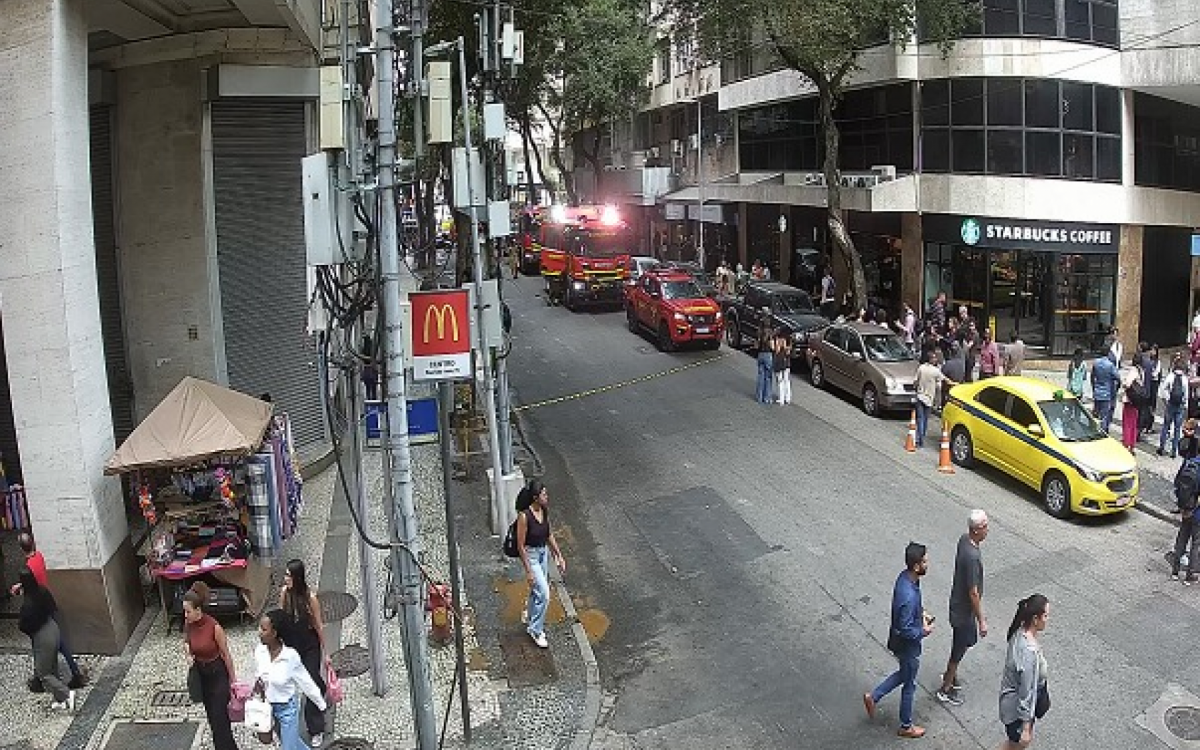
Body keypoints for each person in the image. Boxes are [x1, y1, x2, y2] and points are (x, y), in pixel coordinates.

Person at [863, 542, 933, 739]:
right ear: (917, 566)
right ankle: (906, 725)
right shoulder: (908, 595)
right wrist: (924, 630)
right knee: (910, 683)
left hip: (901, 642)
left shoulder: (906, 578)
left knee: (904, 673)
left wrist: (922, 612)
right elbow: (905, 629)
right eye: (925, 561)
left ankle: (873, 697)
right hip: (907, 646)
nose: (928, 564)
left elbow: (911, 610)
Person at [11, 532, 84, 689]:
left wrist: (20, 587)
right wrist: (21, 585)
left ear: (21, 548)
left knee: (39, 642)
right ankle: (74, 672)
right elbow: (35, 579)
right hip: (46, 601)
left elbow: (31, 582)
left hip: (37, 607)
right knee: (58, 641)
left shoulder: (28, 567)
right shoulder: (39, 557)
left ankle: (42, 677)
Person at [937, 510, 989, 707]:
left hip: (957, 605)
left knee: (967, 641)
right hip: (963, 611)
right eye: (985, 526)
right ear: (976, 530)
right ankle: (945, 687)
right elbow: (973, 592)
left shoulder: (964, 540)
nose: (987, 530)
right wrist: (981, 620)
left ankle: (952, 674)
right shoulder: (973, 556)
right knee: (959, 648)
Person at [255, 609, 327, 750]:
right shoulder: (259, 652)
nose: (259, 632)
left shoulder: (290, 657)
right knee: (293, 744)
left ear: (275, 633)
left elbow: (305, 681)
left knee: (288, 747)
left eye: (263, 629)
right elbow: (259, 676)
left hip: (287, 710)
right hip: (269, 708)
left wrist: (320, 703)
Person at [184, 582, 239, 750]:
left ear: (198, 610)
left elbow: (225, 654)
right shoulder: (189, 624)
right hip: (201, 675)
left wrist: (233, 681)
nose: (185, 615)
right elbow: (186, 641)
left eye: (188, 611)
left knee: (219, 719)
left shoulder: (214, 627)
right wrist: (188, 653)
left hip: (217, 675)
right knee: (213, 720)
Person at [279, 559, 327, 747]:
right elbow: (282, 618)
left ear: (297, 577)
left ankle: (315, 728)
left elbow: (318, 625)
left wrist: (327, 652)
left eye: (289, 576)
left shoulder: (310, 598)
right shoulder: (284, 594)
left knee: (310, 682)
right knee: (305, 681)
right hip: (292, 644)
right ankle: (321, 690)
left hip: (309, 644)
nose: (286, 579)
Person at [516, 479, 566, 649]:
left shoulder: (544, 510)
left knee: (537, 590)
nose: (547, 496)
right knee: (544, 594)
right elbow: (520, 546)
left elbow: (548, 533)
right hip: (531, 555)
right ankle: (535, 630)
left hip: (543, 553)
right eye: (544, 494)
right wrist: (529, 571)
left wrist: (558, 555)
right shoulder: (524, 516)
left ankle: (530, 615)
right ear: (536, 498)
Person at [17, 567, 74, 711]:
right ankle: (60, 699)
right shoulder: (42, 590)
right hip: (53, 627)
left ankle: (67, 694)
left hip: (42, 636)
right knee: (53, 666)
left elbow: (23, 626)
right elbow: (52, 606)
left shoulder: (28, 604)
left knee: (44, 673)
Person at [998, 594, 1051, 750]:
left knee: (1012, 745)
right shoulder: (1029, 652)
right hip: (1017, 714)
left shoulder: (1019, 632)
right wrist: (1026, 727)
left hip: (1009, 706)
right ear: (1035, 619)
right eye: (1046, 615)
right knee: (1015, 746)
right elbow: (1027, 691)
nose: (1048, 619)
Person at [915, 351, 954, 448]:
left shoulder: (921, 368)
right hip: (929, 398)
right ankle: (922, 437)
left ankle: (920, 440)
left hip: (920, 396)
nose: (936, 359)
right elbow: (946, 380)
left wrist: (916, 387)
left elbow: (915, 381)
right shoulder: (935, 371)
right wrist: (955, 383)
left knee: (920, 418)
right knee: (925, 419)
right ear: (931, 359)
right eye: (934, 358)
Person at [1159, 353, 1191, 458]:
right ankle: (1174, 451)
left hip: (1171, 404)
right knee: (1177, 429)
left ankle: (1162, 447)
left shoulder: (1170, 376)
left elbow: (1163, 389)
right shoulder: (1185, 379)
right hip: (1180, 406)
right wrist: (1185, 405)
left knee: (1166, 426)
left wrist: (1167, 399)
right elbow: (1186, 395)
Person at [1091, 352, 1119, 433]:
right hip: (1106, 393)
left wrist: (1094, 387)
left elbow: (1092, 376)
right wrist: (1116, 389)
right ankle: (1102, 432)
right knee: (1104, 416)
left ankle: (1093, 430)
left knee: (1095, 413)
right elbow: (1118, 378)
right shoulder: (1110, 365)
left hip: (1097, 391)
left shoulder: (1096, 362)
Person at [1119, 363, 1143, 453]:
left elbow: (1127, 384)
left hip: (1129, 401)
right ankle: (1132, 445)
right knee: (1134, 425)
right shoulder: (1141, 370)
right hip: (1137, 402)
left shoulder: (1133, 370)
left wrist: (1123, 383)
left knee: (1127, 424)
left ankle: (1126, 444)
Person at [755, 307, 775, 404]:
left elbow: (757, 344)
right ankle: (767, 398)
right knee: (768, 378)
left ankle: (759, 397)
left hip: (760, 355)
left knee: (760, 376)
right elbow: (772, 346)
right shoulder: (769, 332)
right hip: (768, 355)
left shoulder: (759, 331)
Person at [772, 328, 793, 405]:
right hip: (787, 363)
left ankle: (781, 399)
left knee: (780, 380)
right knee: (787, 380)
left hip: (779, 362)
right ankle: (788, 398)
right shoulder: (789, 341)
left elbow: (776, 351)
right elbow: (788, 352)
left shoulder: (779, 340)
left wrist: (777, 344)